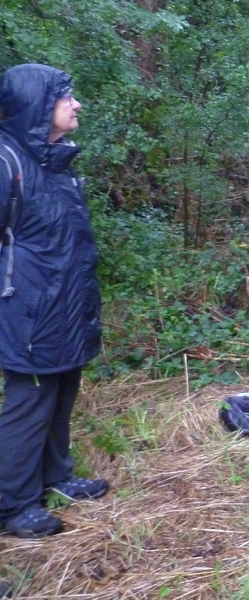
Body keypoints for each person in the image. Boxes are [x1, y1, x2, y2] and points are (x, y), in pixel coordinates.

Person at [0, 64, 108, 539]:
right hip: (28, 309)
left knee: (62, 389)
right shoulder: (8, 162)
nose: (77, 103)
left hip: (65, 302)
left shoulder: (53, 158)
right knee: (30, 401)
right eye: (67, 96)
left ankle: (56, 476)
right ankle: (13, 504)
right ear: (42, 106)